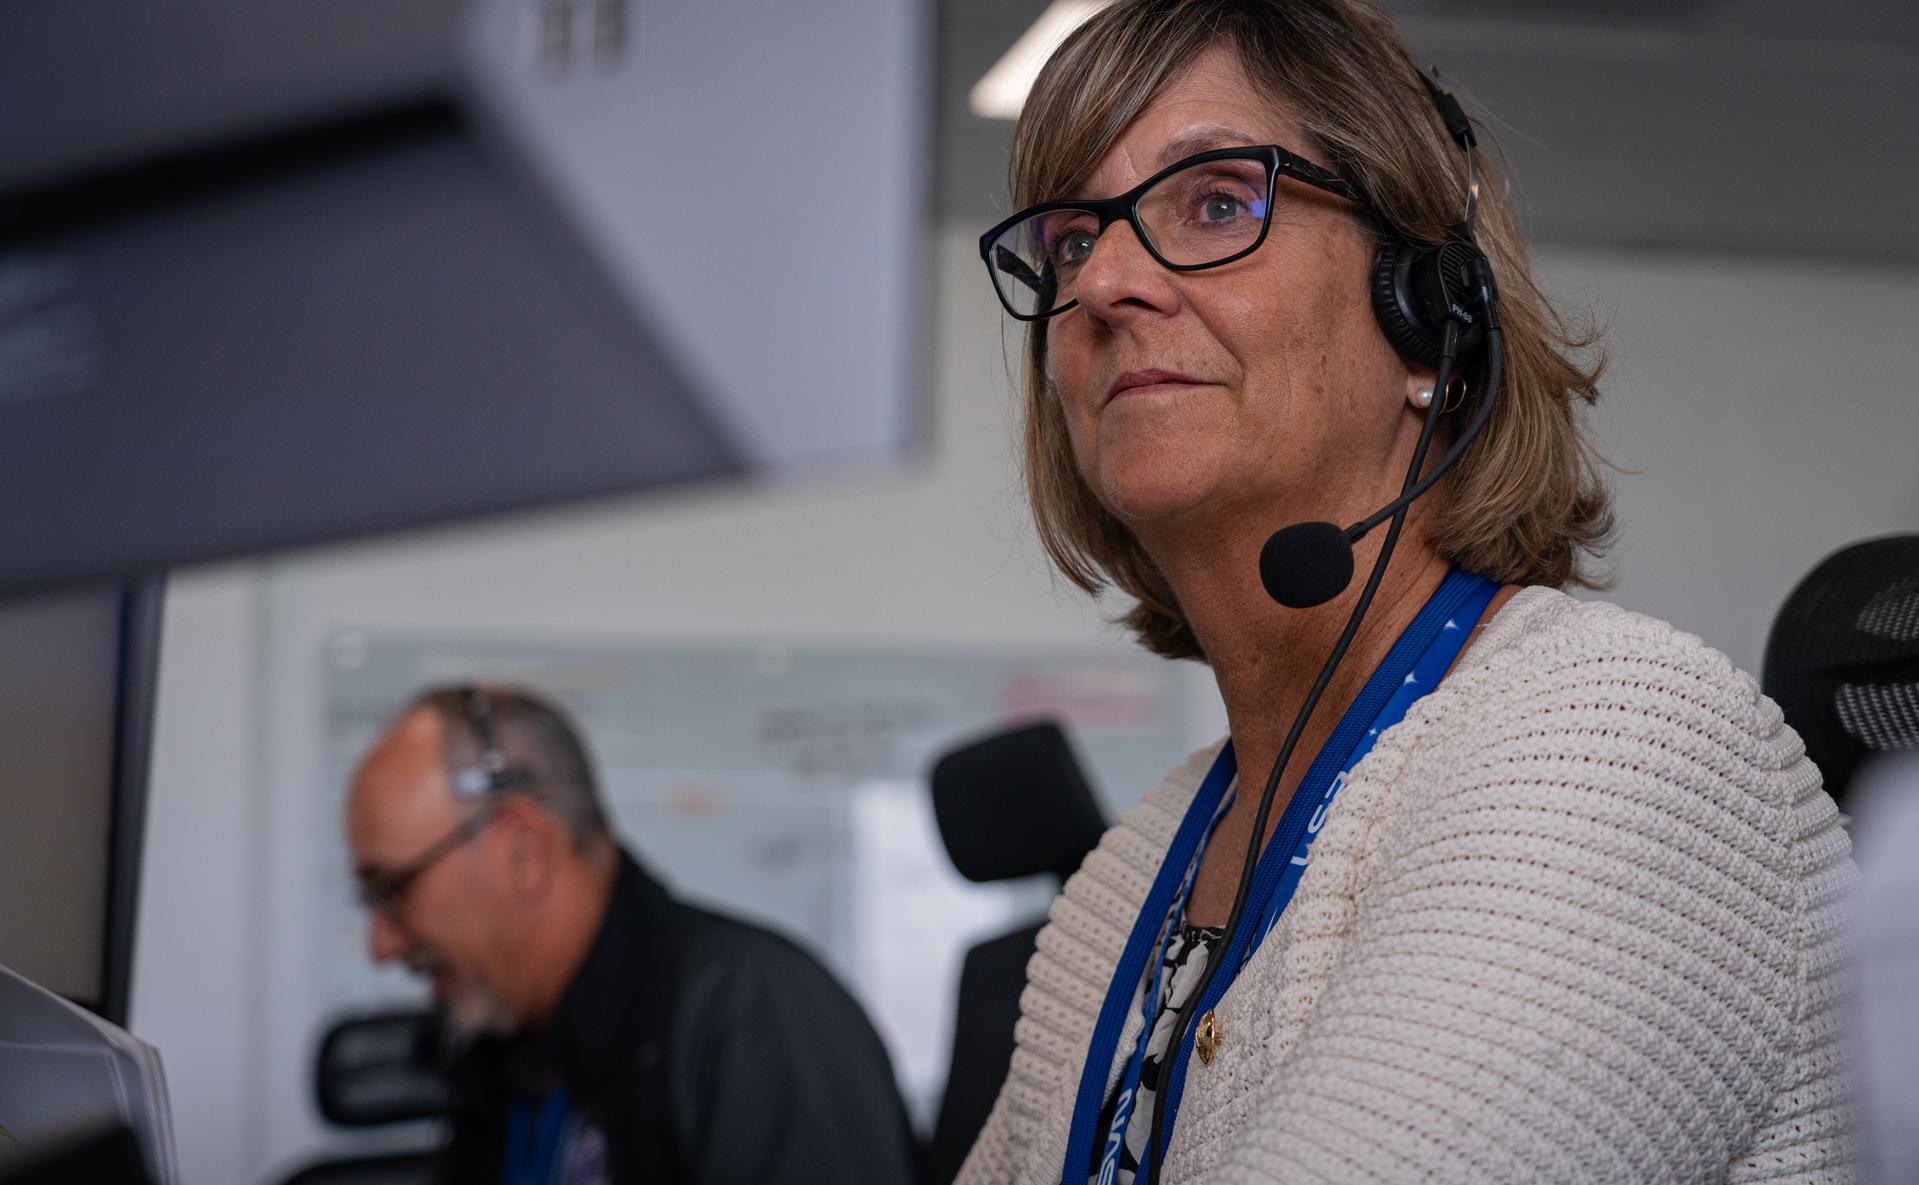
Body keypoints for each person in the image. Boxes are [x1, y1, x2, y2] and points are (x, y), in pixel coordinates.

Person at [960, 2, 1854, 1184]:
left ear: (1425, 313)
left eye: (1216, 202)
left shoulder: (1616, 745)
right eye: (1071, 240)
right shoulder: (1133, 873)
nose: (1106, 283)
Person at [344, 685, 917, 1185]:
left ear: (522, 848)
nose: (381, 945)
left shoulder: (749, 1015)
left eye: (393, 889)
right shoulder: (507, 1055)